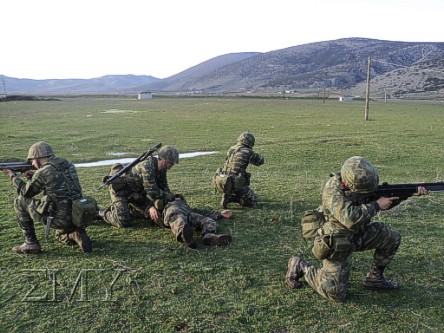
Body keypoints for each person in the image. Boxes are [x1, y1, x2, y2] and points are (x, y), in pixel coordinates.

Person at [285, 156, 429, 302]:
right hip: (337, 241)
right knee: (335, 294)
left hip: (358, 234)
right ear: (348, 182)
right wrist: (376, 205)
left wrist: (407, 193)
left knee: (391, 238)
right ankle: (301, 266)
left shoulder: (361, 182)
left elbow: (379, 199)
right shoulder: (333, 189)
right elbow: (350, 218)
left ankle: (374, 278)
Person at [1, 141, 93, 254]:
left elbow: (25, 193)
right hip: (78, 215)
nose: (33, 164)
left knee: (20, 202)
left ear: (39, 158)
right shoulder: (68, 164)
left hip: (60, 218)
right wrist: (32, 178)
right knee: (59, 235)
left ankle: (31, 243)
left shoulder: (43, 171)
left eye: (33, 161)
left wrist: (12, 176)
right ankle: (75, 234)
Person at [97, 145, 179, 227]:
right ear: (165, 160)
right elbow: (153, 192)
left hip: (136, 193)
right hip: (120, 190)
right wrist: (169, 197)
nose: (172, 165)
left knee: (150, 214)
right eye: (171, 163)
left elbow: (163, 185)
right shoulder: (147, 167)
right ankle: (99, 212)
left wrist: (170, 198)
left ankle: (129, 209)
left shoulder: (162, 169)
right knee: (122, 221)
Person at [154, 194, 233, 248]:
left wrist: (219, 213)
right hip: (174, 212)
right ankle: (187, 238)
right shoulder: (169, 205)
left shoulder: (186, 206)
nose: (178, 198)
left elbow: (201, 212)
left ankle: (209, 237)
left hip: (189, 214)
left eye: (180, 198)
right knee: (179, 220)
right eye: (177, 197)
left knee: (207, 220)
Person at [214, 132, 265, 208]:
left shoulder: (231, 148)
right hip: (236, 183)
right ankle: (233, 198)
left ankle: (228, 194)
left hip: (223, 180)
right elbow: (260, 161)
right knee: (254, 200)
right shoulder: (247, 152)